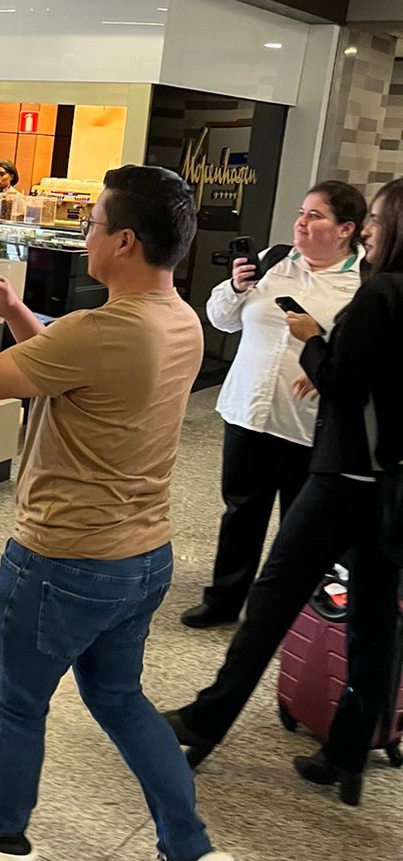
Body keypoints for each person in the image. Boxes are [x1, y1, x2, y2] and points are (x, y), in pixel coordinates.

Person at [0, 165, 238, 861]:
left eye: (97, 223)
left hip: (63, 558)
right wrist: (13, 308)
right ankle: (189, 848)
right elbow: (69, 371)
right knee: (118, 698)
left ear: (127, 241)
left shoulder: (104, 329)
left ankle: (3, 829)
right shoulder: (175, 322)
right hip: (142, 557)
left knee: (19, 697)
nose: (87, 233)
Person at [166, 178, 403, 800]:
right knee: (375, 622)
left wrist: (313, 345)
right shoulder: (284, 266)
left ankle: (204, 721)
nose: (373, 230)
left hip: (342, 472)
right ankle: (348, 753)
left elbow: (346, 383)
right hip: (388, 484)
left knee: (270, 602)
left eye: (377, 220)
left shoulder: (378, 291)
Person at [181, 182, 366, 628]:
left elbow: (368, 355)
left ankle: (283, 612)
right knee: (241, 509)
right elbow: (222, 321)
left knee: (299, 525)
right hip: (248, 409)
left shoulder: (364, 283)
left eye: (315, 216)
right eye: (302, 212)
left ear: (346, 229)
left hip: (308, 424)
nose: (301, 222)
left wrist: (330, 366)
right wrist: (236, 286)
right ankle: (224, 600)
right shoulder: (274, 259)